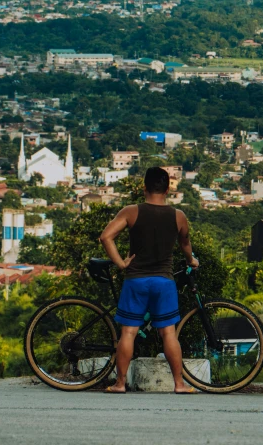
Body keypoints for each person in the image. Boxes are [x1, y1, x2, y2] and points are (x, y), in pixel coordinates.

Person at [99, 166, 199, 394]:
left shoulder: (131, 211)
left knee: (128, 333)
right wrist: (191, 260)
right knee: (168, 333)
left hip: (136, 280)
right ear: (167, 189)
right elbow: (185, 245)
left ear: (144, 187)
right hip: (164, 282)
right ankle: (180, 385)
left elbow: (106, 237)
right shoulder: (178, 216)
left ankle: (120, 384)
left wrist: (121, 263)